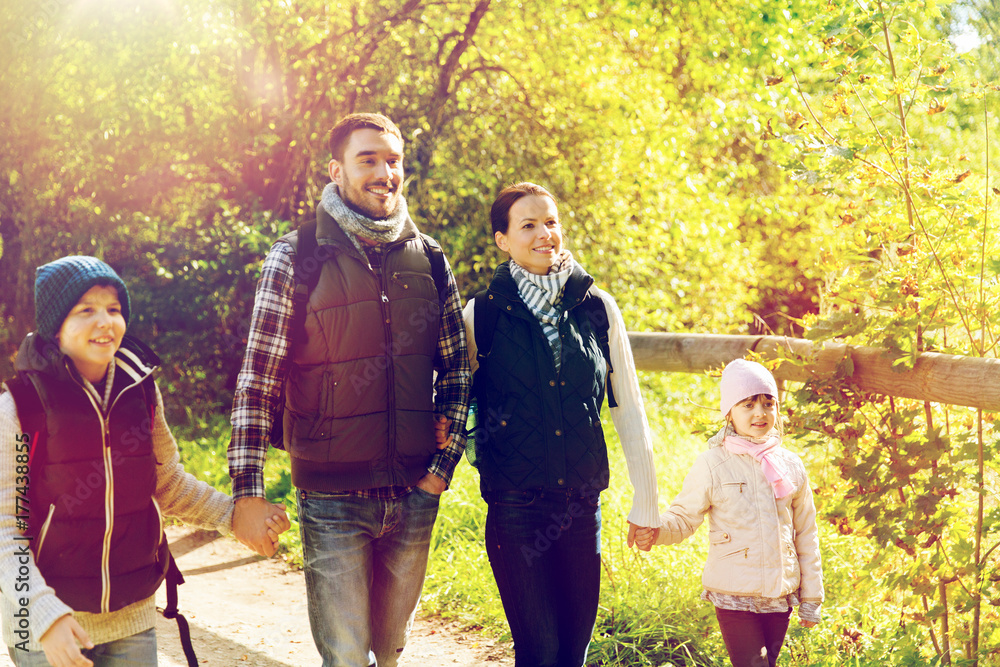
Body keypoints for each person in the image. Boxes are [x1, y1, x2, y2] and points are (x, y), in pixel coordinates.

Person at [227, 112, 471, 667]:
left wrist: (442, 467)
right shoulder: (295, 257)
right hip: (331, 496)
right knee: (344, 655)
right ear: (336, 170)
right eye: (369, 160)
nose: (385, 172)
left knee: (391, 649)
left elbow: (457, 368)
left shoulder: (429, 257)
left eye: (393, 161)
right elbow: (257, 380)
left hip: (414, 492)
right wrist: (248, 491)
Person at [0, 255, 290, 667]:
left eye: (114, 309)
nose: (105, 321)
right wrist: (44, 615)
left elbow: (167, 484)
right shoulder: (19, 409)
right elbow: (5, 531)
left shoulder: (141, 393)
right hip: (47, 631)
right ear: (55, 325)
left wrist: (233, 514)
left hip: (132, 619)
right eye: (86, 310)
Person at [463, 182, 660, 667]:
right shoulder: (481, 314)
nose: (544, 234)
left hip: (580, 505)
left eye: (550, 221)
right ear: (503, 240)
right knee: (540, 651)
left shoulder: (597, 307)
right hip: (515, 507)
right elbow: (448, 403)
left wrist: (647, 500)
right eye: (527, 225)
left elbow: (628, 407)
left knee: (573, 652)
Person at [634, 358, 823, 667]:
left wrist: (812, 597)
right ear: (729, 413)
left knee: (768, 664)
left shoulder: (791, 465)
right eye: (747, 405)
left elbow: (806, 532)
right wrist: (656, 530)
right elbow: (683, 516)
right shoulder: (712, 464)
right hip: (734, 595)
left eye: (767, 403)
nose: (760, 413)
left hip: (780, 594)